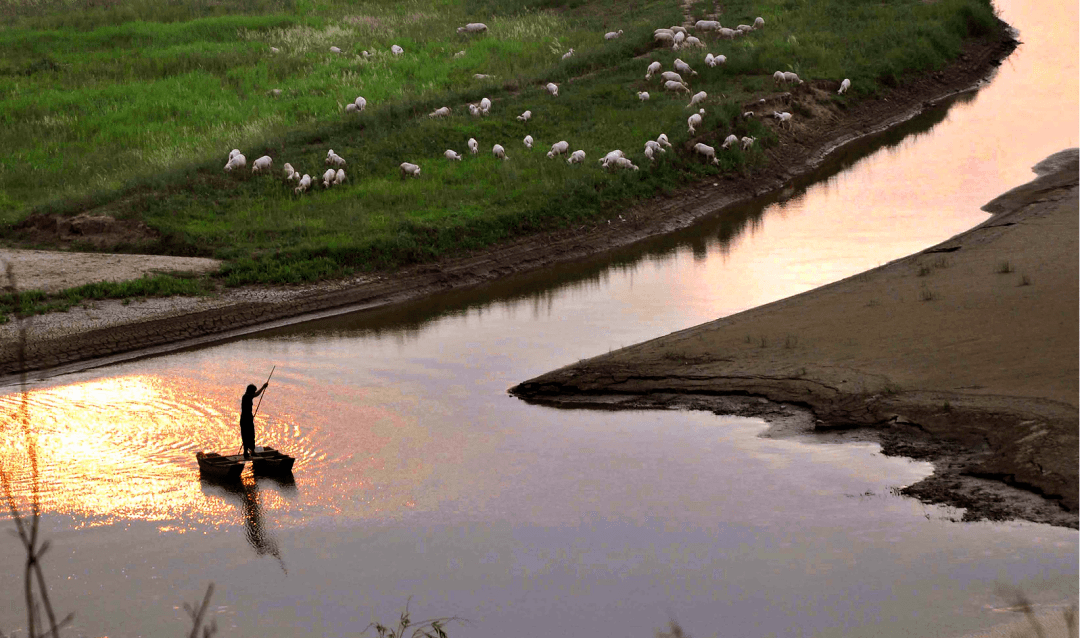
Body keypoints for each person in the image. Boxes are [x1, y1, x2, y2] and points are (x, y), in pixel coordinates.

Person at [240, 382, 268, 459]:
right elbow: (255, 395)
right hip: (246, 419)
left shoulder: (247, 396)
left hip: (247, 418)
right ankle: (247, 452)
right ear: (250, 391)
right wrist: (263, 387)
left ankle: (251, 451)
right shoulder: (246, 396)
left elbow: (254, 394)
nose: (254, 393)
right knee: (247, 435)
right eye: (253, 391)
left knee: (250, 435)